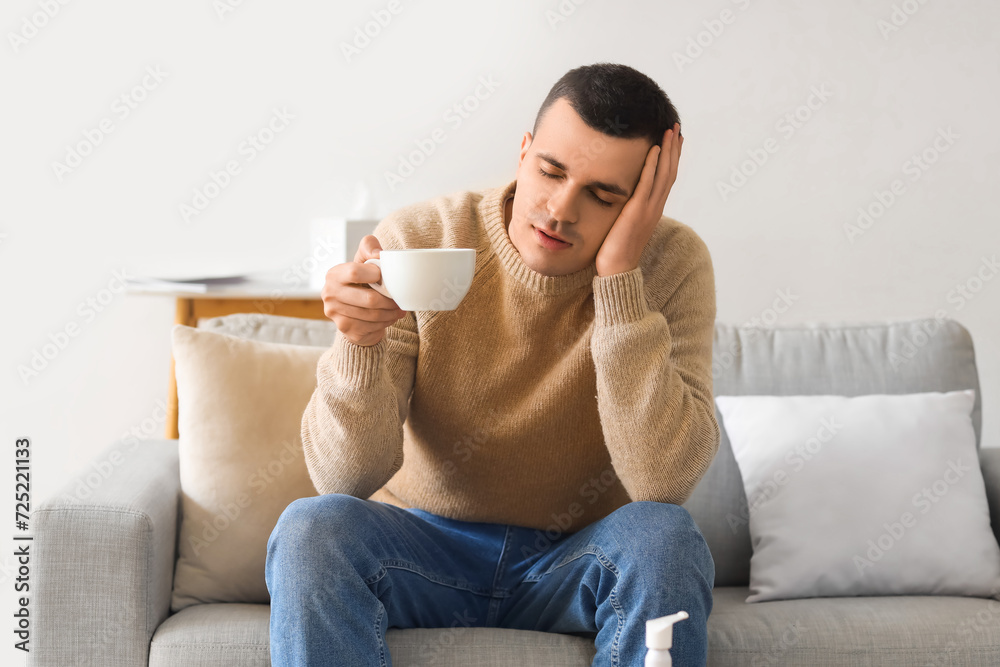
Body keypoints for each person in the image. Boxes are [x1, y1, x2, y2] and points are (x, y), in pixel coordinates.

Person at [265, 61, 719, 667]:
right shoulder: (423, 236)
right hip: (422, 550)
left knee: (667, 541)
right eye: (550, 171)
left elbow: (663, 483)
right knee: (310, 530)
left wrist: (619, 278)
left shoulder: (674, 263)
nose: (559, 210)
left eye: (603, 194)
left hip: (577, 560)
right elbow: (344, 479)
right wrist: (360, 347)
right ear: (524, 150)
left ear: (641, 201)